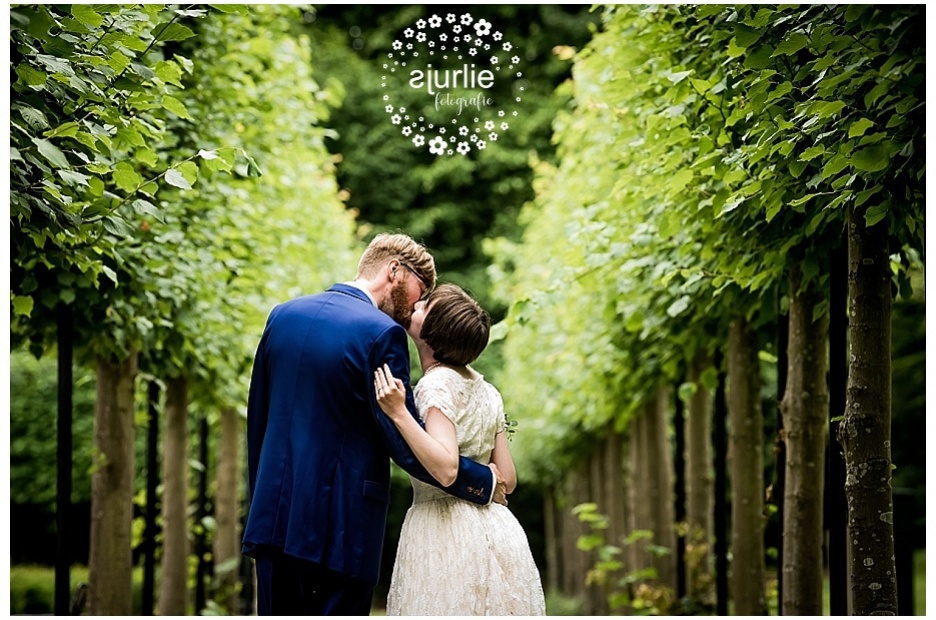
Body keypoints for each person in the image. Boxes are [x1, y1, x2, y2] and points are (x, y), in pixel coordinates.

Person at [243, 234, 507, 615]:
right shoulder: (381, 334)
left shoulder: (283, 315)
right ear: (394, 270)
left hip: (272, 522)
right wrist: (482, 481)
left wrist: (261, 506)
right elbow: (402, 441)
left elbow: (260, 423)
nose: (420, 301)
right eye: (422, 287)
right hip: (340, 530)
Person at [374, 283, 546, 615]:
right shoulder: (488, 391)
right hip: (497, 528)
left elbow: (447, 467)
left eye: (424, 306)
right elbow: (507, 478)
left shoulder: (436, 385)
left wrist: (397, 412)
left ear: (432, 333)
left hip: (444, 527)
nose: (416, 305)